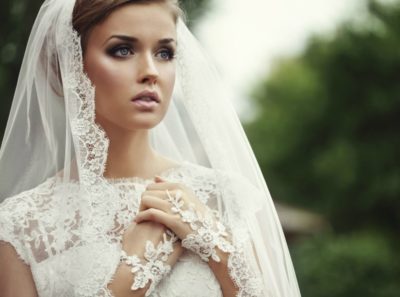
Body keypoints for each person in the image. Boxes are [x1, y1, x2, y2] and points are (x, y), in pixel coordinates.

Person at [0, 0, 301, 296]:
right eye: (122, 50)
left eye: (164, 53)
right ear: (67, 66)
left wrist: (215, 245)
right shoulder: (19, 228)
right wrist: (135, 271)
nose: (150, 71)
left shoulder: (225, 199)